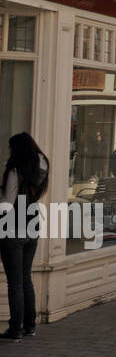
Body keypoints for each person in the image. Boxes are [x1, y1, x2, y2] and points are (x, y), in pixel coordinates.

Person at [0, 133, 49, 340]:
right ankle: (29, 326)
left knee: (15, 282)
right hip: (32, 223)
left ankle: (15, 329)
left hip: (13, 227)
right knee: (25, 278)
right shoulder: (42, 165)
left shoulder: (15, 170)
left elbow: (7, 203)